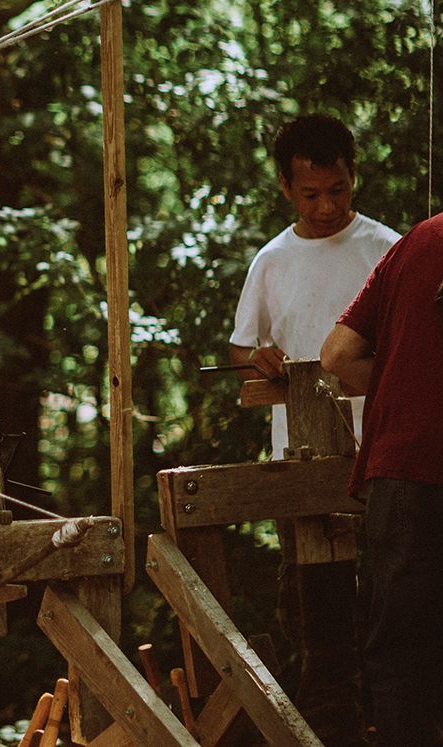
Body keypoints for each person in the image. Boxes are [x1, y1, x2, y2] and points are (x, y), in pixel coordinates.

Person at [227, 114, 399, 744]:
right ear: (285, 189)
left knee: (390, 598)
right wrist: (262, 360)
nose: (326, 206)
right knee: (317, 606)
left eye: (338, 191)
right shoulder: (272, 261)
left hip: (384, 454)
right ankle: (328, 728)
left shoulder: (387, 249)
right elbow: (245, 347)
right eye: (310, 194)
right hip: (298, 456)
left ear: (354, 178)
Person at [321, 216, 443, 747]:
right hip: (411, 470)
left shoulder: (422, 239)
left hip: (403, 473)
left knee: (399, 653)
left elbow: (337, 355)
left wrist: (404, 385)